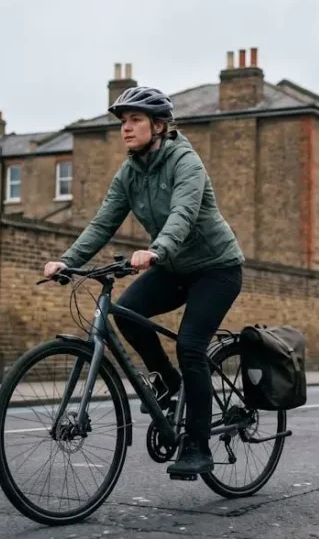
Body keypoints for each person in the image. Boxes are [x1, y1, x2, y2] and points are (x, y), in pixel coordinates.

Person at [43, 85, 245, 478]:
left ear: (159, 125)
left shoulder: (186, 161)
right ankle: (169, 386)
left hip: (216, 268)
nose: (126, 128)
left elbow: (183, 214)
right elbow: (103, 222)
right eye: (123, 121)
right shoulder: (129, 173)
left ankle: (198, 446)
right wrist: (67, 261)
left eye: (135, 120)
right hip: (173, 267)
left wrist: (157, 249)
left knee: (190, 346)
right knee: (128, 311)